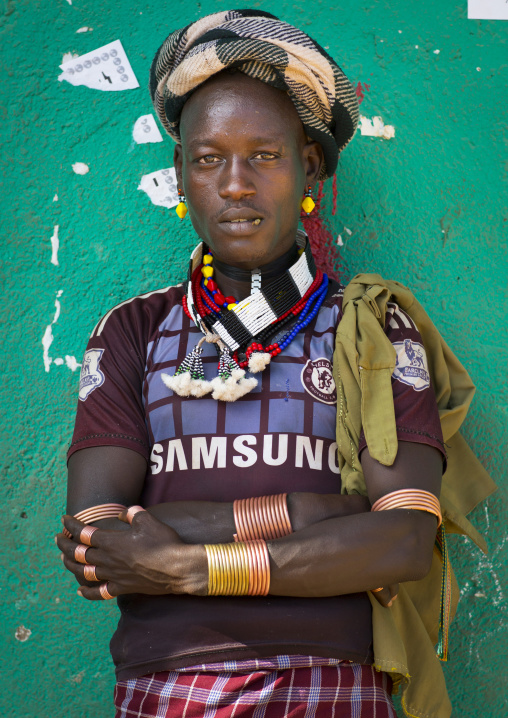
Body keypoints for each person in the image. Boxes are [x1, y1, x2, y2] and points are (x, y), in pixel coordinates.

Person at [55, 9, 493, 718]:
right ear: (180, 173)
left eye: (263, 155)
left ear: (308, 165)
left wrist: (191, 566)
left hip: (336, 686)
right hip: (172, 690)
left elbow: (404, 540)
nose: (234, 184)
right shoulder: (133, 332)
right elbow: (99, 544)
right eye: (208, 158)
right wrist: (318, 512)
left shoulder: (373, 329)